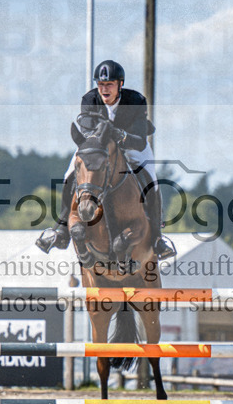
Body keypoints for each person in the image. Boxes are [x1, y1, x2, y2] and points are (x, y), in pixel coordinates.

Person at [36, 59, 175, 260]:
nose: (104, 89)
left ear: (120, 84)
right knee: (70, 174)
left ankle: (157, 238)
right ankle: (61, 228)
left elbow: (139, 139)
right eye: (101, 85)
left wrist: (120, 136)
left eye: (109, 84)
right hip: (99, 148)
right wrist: (107, 139)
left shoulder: (136, 101)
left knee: (150, 179)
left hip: (131, 146)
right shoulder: (89, 100)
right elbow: (88, 135)